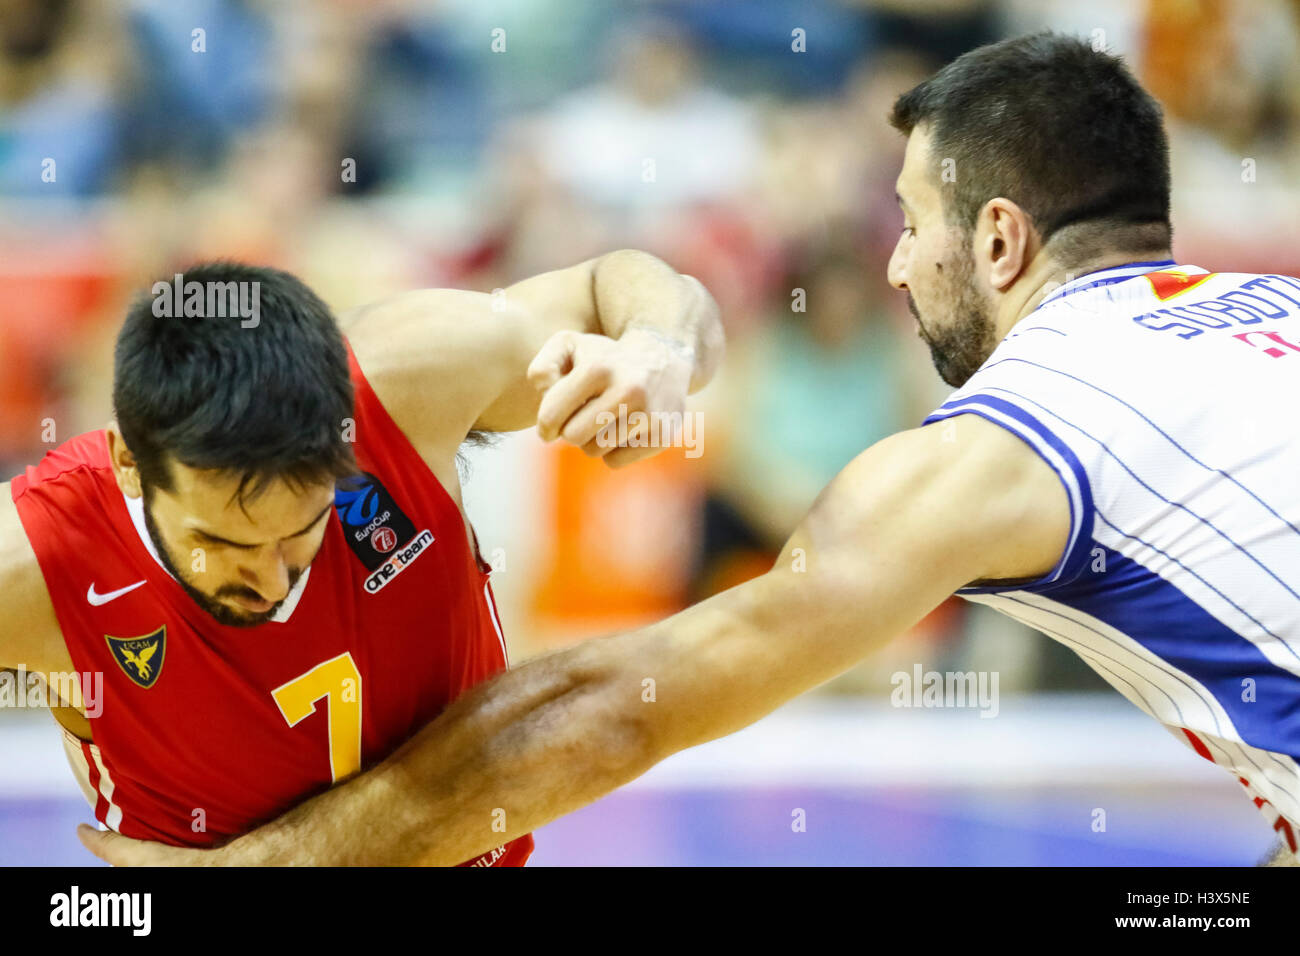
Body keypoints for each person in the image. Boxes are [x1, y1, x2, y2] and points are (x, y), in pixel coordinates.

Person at [82, 32, 1300, 868]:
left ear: (996, 239)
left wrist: (265, 866)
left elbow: (614, 709)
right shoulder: (1274, 311)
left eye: (910, 220)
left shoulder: (1006, 445)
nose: (891, 262)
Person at [0, 250, 722, 867]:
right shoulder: (36, 555)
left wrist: (659, 351)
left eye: (301, 529)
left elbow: (623, 284)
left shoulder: (406, 379)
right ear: (130, 462)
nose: (272, 581)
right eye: (221, 543)